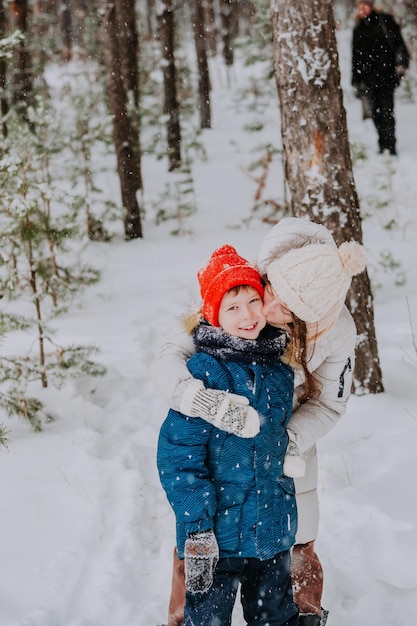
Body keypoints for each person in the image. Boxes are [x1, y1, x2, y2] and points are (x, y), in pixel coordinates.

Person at [151, 217, 367, 626]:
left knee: (294, 542)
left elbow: (331, 404)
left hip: (289, 440)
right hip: (222, 442)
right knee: (204, 554)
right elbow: (172, 356)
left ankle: (299, 614)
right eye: (271, 293)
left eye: (283, 310)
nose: (263, 311)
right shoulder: (245, 291)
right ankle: (183, 616)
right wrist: (198, 399)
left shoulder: (335, 330)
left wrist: (284, 440)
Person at [157, 244, 299, 626]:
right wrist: (198, 528)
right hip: (212, 538)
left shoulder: (281, 376)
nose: (248, 315)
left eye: (253, 301)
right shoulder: (206, 372)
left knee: (276, 617)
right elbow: (178, 455)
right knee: (206, 619)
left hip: (271, 530)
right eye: (232, 307)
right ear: (214, 316)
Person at [351, 0, 410, 156]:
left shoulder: (385, 21)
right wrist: (355, 80)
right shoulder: (358, 28)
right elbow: (356, 57)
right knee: (376, 114)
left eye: (364, 6)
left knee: (387, 112)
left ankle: (390, 147)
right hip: (368, 80)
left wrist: (401, 65)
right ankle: (382, 143)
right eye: (359, 7)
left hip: (387, 76)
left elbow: (399, 44)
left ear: (370, 6)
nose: (361, 10)